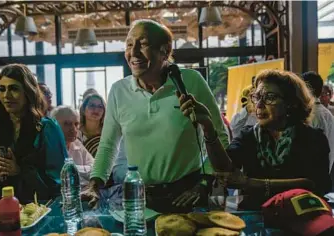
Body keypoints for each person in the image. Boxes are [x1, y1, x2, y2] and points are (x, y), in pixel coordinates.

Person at [84, 19, 229, 213]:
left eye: (142, 44)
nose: (133, 52)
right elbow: (108, 145)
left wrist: (205, 182)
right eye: (129, 44)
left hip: (188, 195)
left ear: (165, 51)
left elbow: (220, 135)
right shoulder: (119, 90)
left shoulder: (191, 82)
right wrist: (94, 184)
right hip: (140, 198)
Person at [178, 69, 331, 209]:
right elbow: (224, 169)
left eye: (269, 97)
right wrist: (208, 127)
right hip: (256, 217)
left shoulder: (313, 138)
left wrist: (250, 183)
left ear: (291, 103)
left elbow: (314, 185)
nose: (259, 104)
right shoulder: (249, 136)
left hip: (299, 217)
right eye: (257, 97)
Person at [0, 64, 67, 205]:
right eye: (2, 89)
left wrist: (19, 171)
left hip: (39, 213)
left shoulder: (46, 129)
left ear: (28, 92)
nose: (6, 95)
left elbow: (58, 184)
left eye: (14, 89)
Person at [51, 106, 94, 191]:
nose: (73, 129)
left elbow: (94, 169)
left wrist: (72, 170)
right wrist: (84, 173)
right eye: (67, 124)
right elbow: (59, 179)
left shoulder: (76, 143)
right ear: (54, 125)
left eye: (76, 124)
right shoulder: (49, 146)